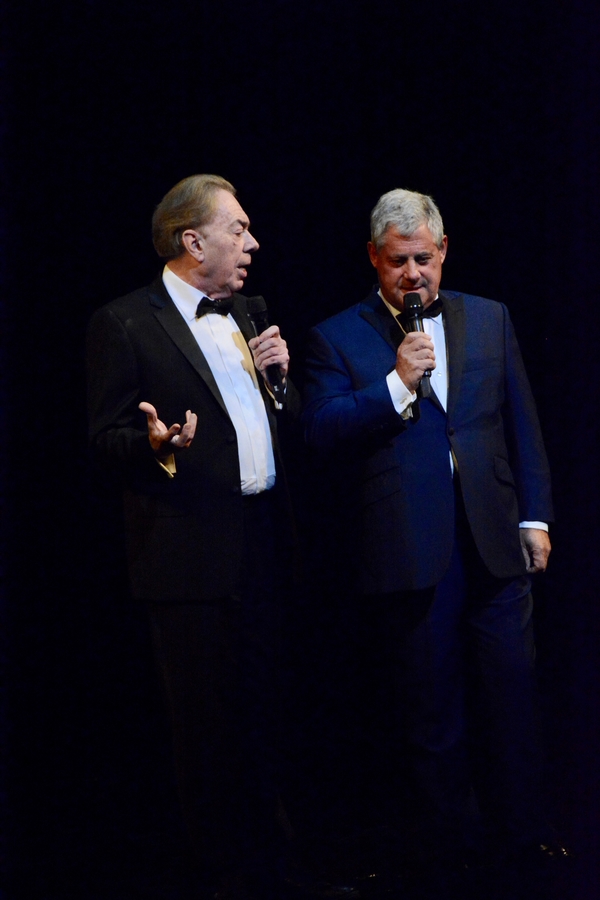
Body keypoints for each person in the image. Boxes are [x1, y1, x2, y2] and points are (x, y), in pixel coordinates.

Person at [302, 188, 566, 879]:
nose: (413, 274)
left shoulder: (488, 318)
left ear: (443, 252)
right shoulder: (338, 335)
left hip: (494, 537)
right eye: (398, 262)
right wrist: (394, 384)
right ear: (373, 258)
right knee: (433, 712)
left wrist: (534, 516)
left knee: (512, 692)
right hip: (410, 549)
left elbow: (521, 422)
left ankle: (525, 836)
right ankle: (451, 849)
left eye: (423, 258)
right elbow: (321, 430)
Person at [86, 174, 299, 899]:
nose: (252, 242)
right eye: (238, 228)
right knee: (204, 736)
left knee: (266, 716)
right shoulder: (126, 322)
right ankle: (220, 878)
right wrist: (155, 443)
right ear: (192, 240)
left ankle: (276, 870)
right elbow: (104, 440)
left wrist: (280, 380)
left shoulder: (247, 311)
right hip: (185, 560)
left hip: (260, 542)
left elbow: (278, 419)